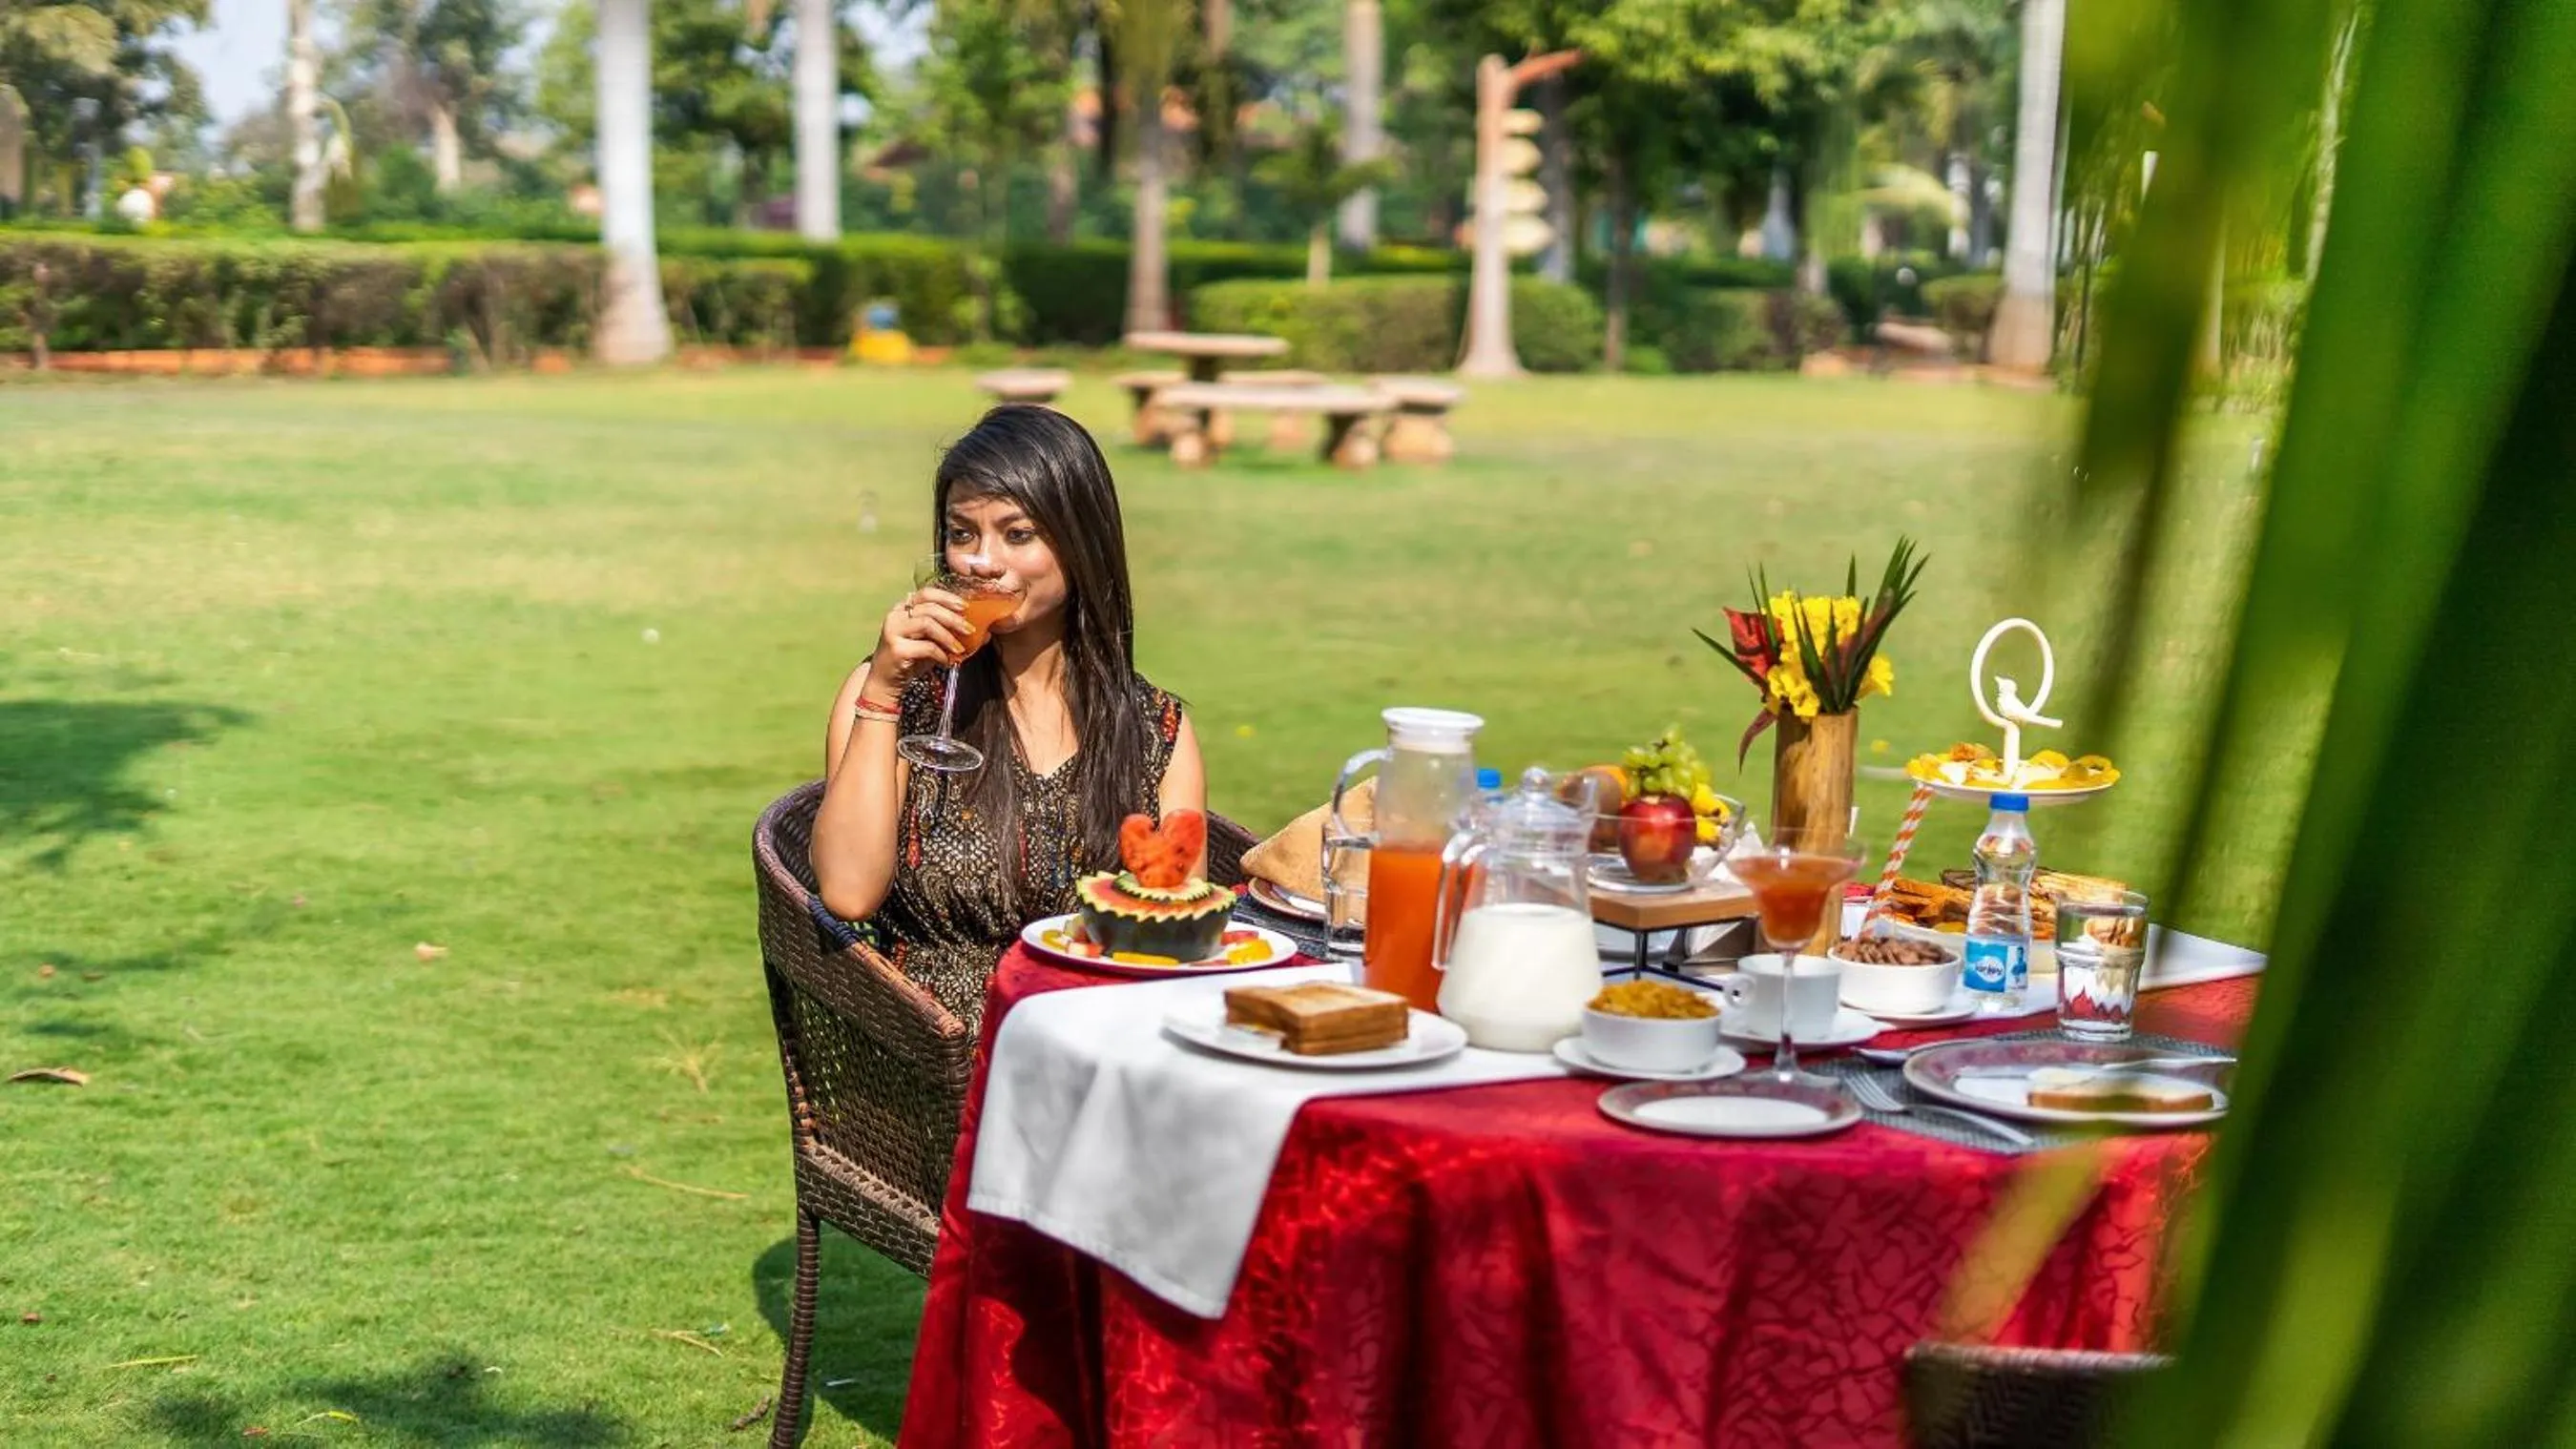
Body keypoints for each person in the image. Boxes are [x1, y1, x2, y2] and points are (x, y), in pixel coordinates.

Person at [811, 404, 1206, 1025]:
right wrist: (883, 692)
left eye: (1017, 534)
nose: (980, 561)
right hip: (938, 1071)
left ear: (1080, 543)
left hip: (1098, 1053)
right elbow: (848, 892)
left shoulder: (1154, 731)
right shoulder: (893, 696)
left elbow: (1180, 945)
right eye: (961, 532)